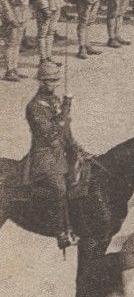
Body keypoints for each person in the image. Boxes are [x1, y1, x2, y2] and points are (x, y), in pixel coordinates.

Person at [26, 60, 78, 248]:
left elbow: (65, 129)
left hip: (62, 148)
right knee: (59, 188)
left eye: (56, 80)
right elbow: (51, 134)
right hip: (45, 155)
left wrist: (74, 145)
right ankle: (60, 231)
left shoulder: (55, 99)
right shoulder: (34, 107)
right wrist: (66, 108)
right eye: (51, 81)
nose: (55, 84)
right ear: (41, 82)